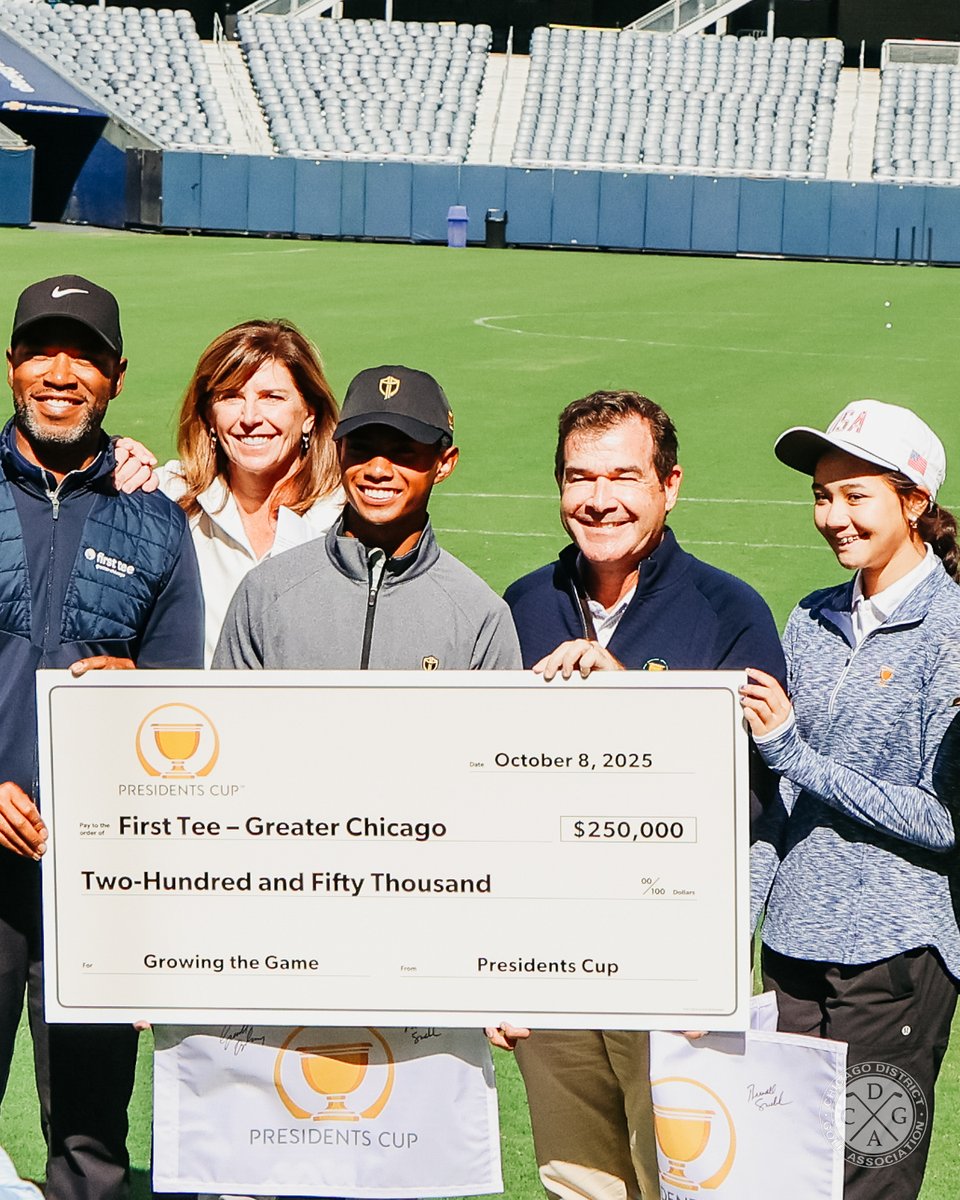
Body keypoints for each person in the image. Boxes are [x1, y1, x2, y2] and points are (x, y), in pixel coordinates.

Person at [499, 390, 785, 1200]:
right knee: (576, 1180)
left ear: (670, 485)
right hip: (550, 960)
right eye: (579, 477)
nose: (599, 500)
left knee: (683, 1181)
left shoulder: (730, 612)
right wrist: (495, 964)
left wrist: (633, 698)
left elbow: (756, 798)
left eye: (624, 477)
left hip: (669, 961)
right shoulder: (522, 604)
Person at [0, 275, 203, 1200]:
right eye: (41, 350)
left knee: (90, 1135)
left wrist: (141, 693)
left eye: (84, 355)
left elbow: (181, 703)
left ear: (116, 377)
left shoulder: (155, 521)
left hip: (98, 876)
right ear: (11, 365)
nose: (60, 372)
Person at [742, 399, 960, 1200]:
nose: (833, 517)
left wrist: (796, 753)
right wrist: (741, 921)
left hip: (897, 953)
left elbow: (943, 820)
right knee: (784, 1172)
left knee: (871, 1177)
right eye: (821, 495)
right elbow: (777, 794)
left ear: (915, 501)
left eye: (855, 495)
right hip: (792, 948)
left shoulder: (953, 630)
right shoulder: (810, 617)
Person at [215, 364, 519, 670]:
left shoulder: (480, 616)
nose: (377, 470)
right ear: (339, 451)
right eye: (361, 449)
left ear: (444, 464)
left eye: (403, 452)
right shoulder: (265, 592)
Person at [116, 319, 343, 664]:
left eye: (272, 397)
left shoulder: (348, 515)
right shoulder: (166, 498)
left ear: (309, 413)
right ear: (209, 415)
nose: (250, 417)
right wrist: (110, 459)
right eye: (231, 397)